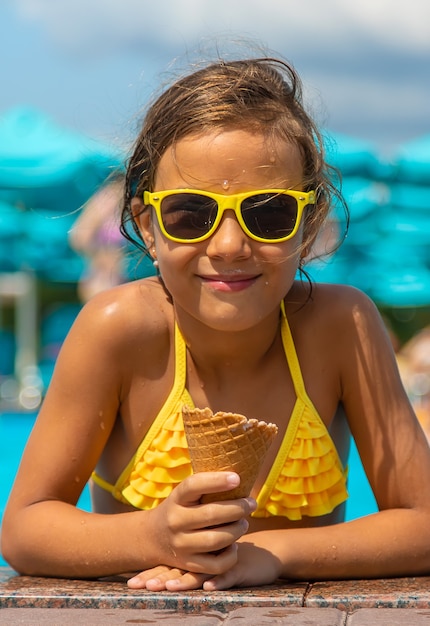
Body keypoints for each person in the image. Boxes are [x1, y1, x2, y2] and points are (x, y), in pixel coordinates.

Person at [2, 54, 430, 592]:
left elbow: (424, 522)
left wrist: (270, 553)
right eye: (190, 214)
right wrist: (152, 538)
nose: (229, 246)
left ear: (309, 223)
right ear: (148, 226)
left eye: (269, 213)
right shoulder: (117, 331)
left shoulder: (342, 327)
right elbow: (24, 528)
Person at [69, 175, 127, 303]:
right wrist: (99, 255)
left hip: (108, 272)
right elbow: (79, 237)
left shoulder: (114, 200)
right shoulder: (108, 199)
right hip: (102, 272)